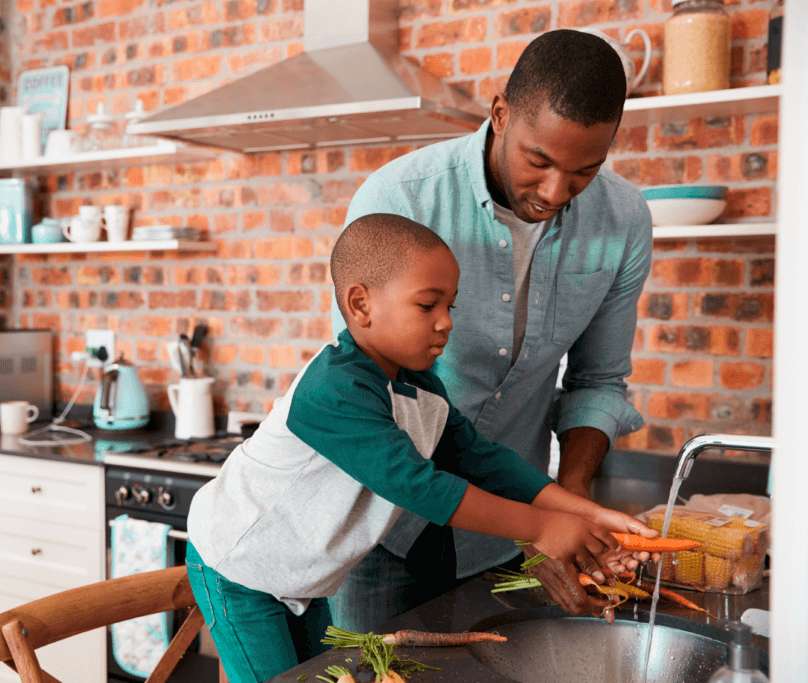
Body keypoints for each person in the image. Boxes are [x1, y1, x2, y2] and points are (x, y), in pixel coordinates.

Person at [186, 213, 656, 683]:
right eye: (428, 305)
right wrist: (544, 525)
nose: (446, 323)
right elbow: (419, 487)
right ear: (361, 305)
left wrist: (585, 512)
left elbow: (481, 460)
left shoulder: (420, 388)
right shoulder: (334, 388)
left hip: (298, 577)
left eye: (450, 306)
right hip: (239, 568)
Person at [329, 28, 654, 629]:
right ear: (501, 114)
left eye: (585, 170)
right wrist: (539, 522)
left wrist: (570, 504)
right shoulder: (400, 199)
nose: (555, 192)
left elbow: (598, 381)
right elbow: (371, 395)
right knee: (370, 670)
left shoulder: (624, 219)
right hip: (383, 529)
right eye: (539, 161)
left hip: (504, 539)